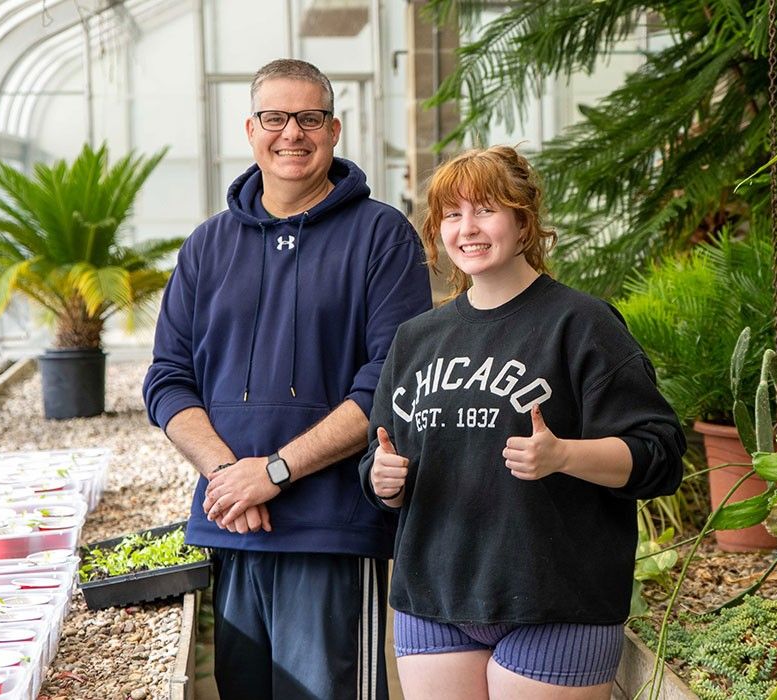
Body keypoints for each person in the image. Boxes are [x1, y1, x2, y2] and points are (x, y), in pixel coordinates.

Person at [143, 58, 431, 700]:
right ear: (251, 129)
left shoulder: (382, 236)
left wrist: (273, 471)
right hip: (233, 523)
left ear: (333, 130)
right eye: (275, 117)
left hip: (331, 529)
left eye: (308, 118)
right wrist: (228, 475)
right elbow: (167, 379)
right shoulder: (207, 245)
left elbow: (391, 382)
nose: (291, 133)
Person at [360, 146, 685, 700]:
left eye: (485, 209)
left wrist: (564, 457)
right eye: (452, 215)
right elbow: (381, 458)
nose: (468, 229)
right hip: (435, 600)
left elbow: (661, 455)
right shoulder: (417, 338)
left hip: (557, 602)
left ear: (523, 219)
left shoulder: (581, 323)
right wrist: (380, 481)